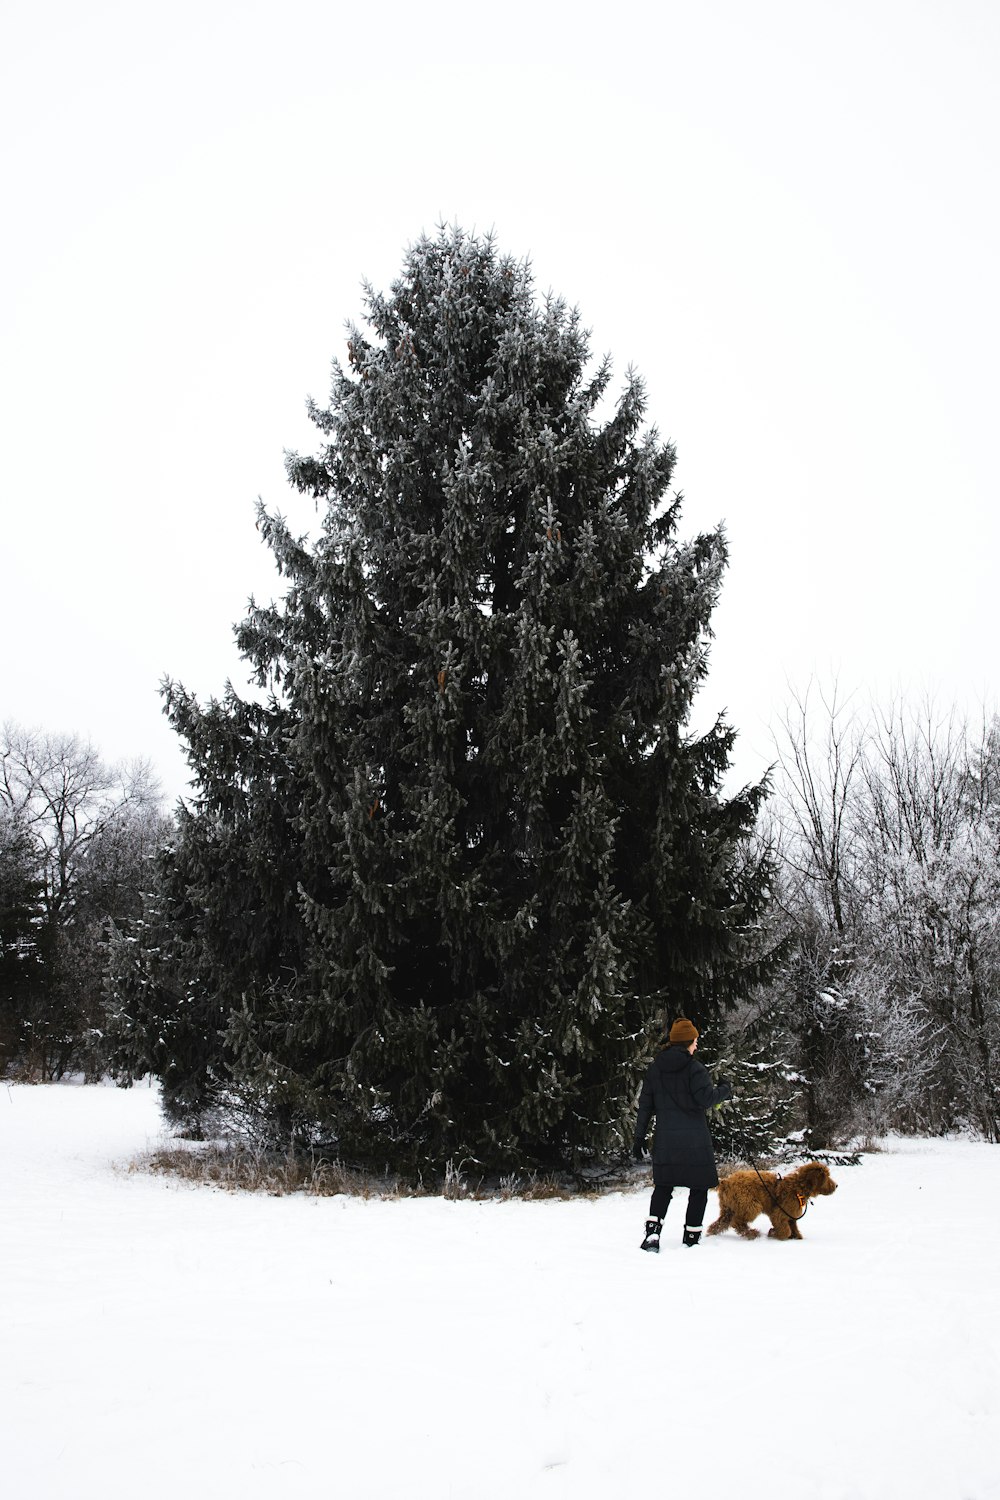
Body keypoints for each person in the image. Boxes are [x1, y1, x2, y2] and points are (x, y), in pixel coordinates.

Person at [633, 1017, 732, 1250]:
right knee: (698, 1188)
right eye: (695, 1041)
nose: (696, 1045)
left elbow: (645, 1106)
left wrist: (639, 1138)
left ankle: (652, 1233)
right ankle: (691, 1237)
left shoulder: (655, 1069)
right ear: (688, 1041)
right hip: (695, 1140)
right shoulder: (694, 1068)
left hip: (667, 1140)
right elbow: (707, 1099)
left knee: (664, 1187)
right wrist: (725, 1088)